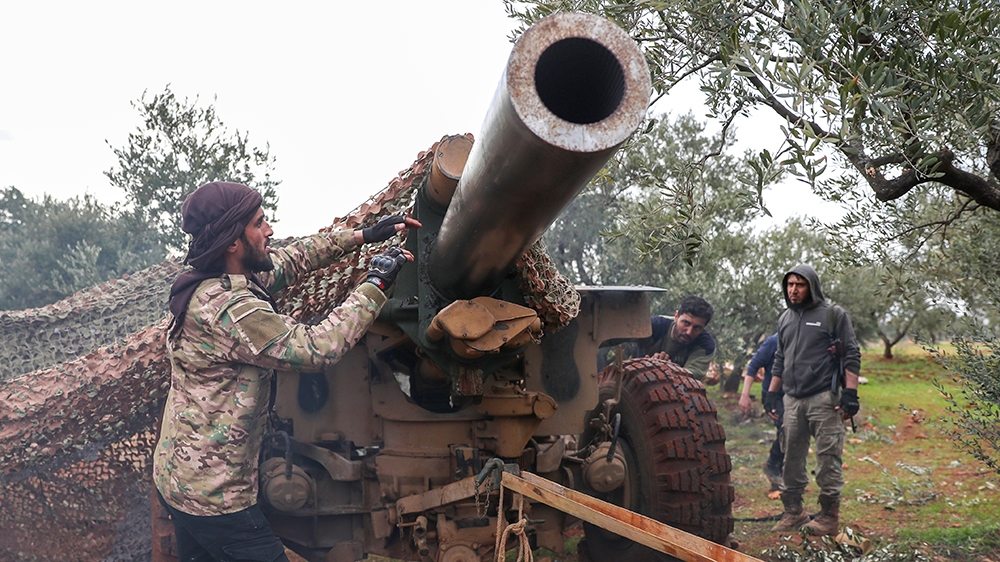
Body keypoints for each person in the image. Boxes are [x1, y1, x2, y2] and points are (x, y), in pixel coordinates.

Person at [152, 181, 420, 561]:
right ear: (232, 242)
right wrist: (376, 284)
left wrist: (364, 235)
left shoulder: (218, 278)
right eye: (260, 224)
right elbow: (317, 348)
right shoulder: (229, 310)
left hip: (182, 479)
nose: (270, 231)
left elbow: (293, 259)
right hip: (216, 500)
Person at [764, 264, 861, 536]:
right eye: (790, 285)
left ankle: (829, 517)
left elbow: (852, 352)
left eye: (800, 284)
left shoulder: (833, 315)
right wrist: (773, 394)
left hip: (824, 398)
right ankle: (794, 512)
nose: (793, 290)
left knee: (828, 457)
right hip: (792, 399)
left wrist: (851, 394)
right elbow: (780, 359)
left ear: (812, 286)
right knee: (790, 458)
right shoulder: (785, 318)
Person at [738, 333, 784, 492]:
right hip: (773, 395)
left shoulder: (804, 339)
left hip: (794, 394)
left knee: (795, 433)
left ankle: (782, 477)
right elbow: (753, 367)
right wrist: (745, 395)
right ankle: (773, 464)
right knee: (786, 427)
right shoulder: (773, 342)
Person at [636, 295, 717, 380]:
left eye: (697, 328)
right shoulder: (654, 326)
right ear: (676, 316)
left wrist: (667, 369)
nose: (689, 332)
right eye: (686, 323)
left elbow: (691, 376)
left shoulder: (705, 345)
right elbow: (623, 333)